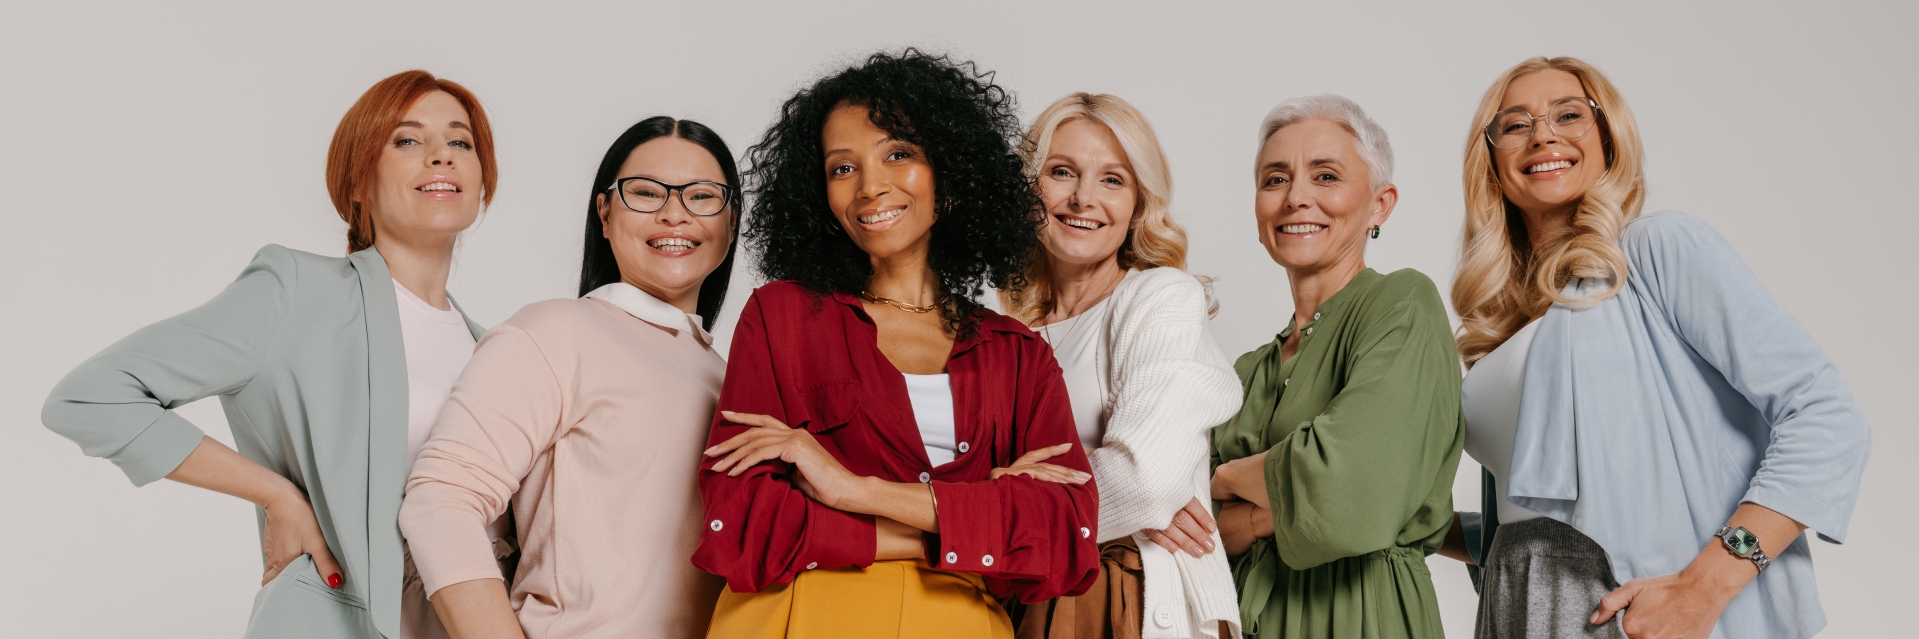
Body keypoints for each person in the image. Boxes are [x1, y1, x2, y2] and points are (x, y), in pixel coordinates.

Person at [41, 70, 497, 639]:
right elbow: (89, 397)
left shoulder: (497, 351)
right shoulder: (297, 292)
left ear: (482, 183)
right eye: (407, 140)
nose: (440, 156)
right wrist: (276, 494)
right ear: (357, 183)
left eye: (461, 142)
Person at [1438, 56, 1871, 639]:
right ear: (1491, 158)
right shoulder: (1504, 332)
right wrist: (1405, 522)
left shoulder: (1651, 255)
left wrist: (1705, 585)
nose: (1542, 133)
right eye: (1515, 124)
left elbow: (1826, 415)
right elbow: (1535, 525)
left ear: (1609, 138)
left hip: (1635, 611)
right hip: (1519, 611)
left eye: (1568, 115)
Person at [692, 49, 1100, 639]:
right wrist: (971, 515)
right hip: (799, 620)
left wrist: (853, 490)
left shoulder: (1018, 354)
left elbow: (1064, 536)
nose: (870, 186)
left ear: (950, 172)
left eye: (899, 154)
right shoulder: (783, 318)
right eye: (842, 168)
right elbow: (742, 524)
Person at [398, 117, 739, 639]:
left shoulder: (730, 378)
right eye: (646, 193)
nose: (675, 214)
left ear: (731, 222)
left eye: (702, 196)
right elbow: (440, 499)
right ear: (604, 213)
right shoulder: (558, 332)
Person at [1208, 94, 1463, 639]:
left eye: (1326, 176)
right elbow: (1187, 526)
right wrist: (1275, 500)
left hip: (1363, 615)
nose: (1297, 197)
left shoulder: (1401, 304)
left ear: (1380, 204)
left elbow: (1352, 490)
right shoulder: (1245, 370)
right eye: (1275, 179)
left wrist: (1229, 479)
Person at [998, 93, 1242, 639]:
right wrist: (1023, 495)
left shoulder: (1159, 298)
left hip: (1128, 602)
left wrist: (1006, 508)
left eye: (1112, 180)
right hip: (1028, 603)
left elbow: (1147, 483)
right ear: (1028, 189)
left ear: (1137, 204)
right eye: (1062, 172)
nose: (1083, 198)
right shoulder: (1009, 335)